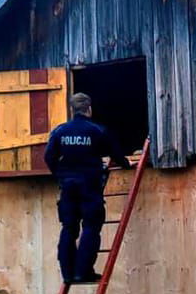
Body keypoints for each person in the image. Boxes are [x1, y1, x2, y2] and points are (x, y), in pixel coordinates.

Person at [44, 93, 135, 284]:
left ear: (72, 109)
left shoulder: (60, 131)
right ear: (89, 109)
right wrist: (126, 164)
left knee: (68, 228)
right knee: (91, 227)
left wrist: (60, 174)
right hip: (90, 187)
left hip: (68, 187)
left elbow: (49, 157)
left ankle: (68, 274)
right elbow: (115, 152)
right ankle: (82, 272)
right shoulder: (96, 130)